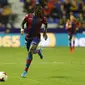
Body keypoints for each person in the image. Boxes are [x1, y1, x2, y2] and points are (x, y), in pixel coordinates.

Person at [21, 4, 48, 77]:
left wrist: (45, 33)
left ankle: (24, 72)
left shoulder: (42, 18)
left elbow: (46, 25)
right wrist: (22, 29)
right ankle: (38, 51)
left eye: (40, 10)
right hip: (28, 37)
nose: (39, 12)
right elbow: (23, 23)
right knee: (30, 54)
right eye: (38, 10)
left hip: (36, 37)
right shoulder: (28, 16)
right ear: (35, 10)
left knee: (31, 49)